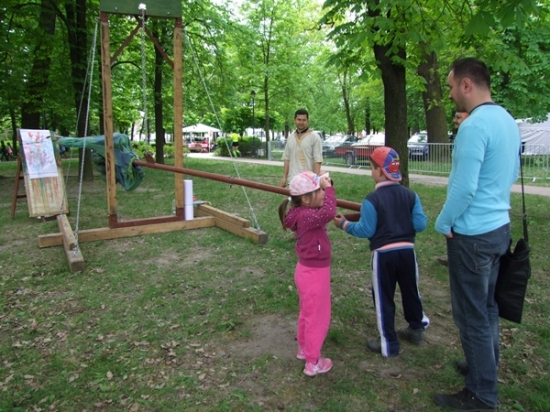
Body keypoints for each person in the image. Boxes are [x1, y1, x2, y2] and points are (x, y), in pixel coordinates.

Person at [434, 58, 520, 411]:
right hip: (498, 228)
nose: (450, 94)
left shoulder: (474, 126)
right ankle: (484, 365)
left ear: (467, 84)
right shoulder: (506, 120)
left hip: (472, 236)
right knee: (487, 308)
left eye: (452, 86)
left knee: (471, 316)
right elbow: (510, 173)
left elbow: (465, 188)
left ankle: (482, 394)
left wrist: (444, 222)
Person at [333, 146, 429, 358]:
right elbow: (420, 225)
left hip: (384, 256)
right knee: (411, 291)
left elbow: (366, 230)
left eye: (371, 168)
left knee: (384, 298)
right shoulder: (411, 195)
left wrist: (344, 225)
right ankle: (416, 327)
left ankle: (388, 343)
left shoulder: (372, 200)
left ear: (379, 170)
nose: (371, 171)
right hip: (407, 253)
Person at [278, 170, 336, 376]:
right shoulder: (307, 216)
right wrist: (330, 190)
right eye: (319, 191)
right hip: (315, 274)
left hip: (306, 270)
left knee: (307, 313)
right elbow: (328, 213)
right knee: (317, 317)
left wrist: (325, 185)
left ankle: (304, 348)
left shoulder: (300, 213)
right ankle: (313, 362)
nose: (323, 193)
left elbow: (324, 210)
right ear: (305, 199)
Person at [437, 110, 469, 267]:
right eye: (454, 117)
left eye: (458, 117)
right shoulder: (461, 137)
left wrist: (444, 222)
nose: (455, 121)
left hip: (468, 215)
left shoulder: (471, 137)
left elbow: (466, 186)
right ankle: (454, 257)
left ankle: (458, 260)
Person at [280, 109, 323, 187]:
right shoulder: (290, 137)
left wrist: (315, 181)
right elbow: (287, 159)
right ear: (294, 120)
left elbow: (318, 160)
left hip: (308, 182)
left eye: (304, 120)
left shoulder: (314, 137)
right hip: (292, 180)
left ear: (308, 121)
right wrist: (284, 177)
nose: (301, 122)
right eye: (299, 119)